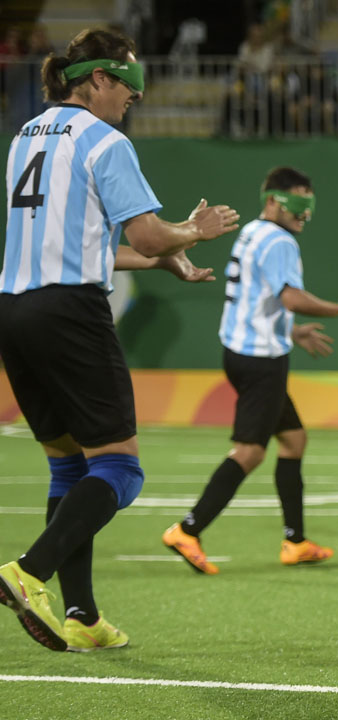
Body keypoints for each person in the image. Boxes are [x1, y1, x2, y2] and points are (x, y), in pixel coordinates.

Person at [0, 28, 239, 652]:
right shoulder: (105, 141)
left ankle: (81, 615)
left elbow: (91, 241)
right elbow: (154, 234)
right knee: (120, 469)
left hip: (14, 311)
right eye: (129, 83)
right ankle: (29, 571)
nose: (133, 96)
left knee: (68, 463)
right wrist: (195, 230)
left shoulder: (25, 136)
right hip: (71, 313)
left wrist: (160, 263)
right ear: (99, 79)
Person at [162, 167, 338, 575]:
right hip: (261, 361)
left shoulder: (254, 233)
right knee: (251, 451)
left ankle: (295, 542)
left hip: (243, 350)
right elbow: (291, 298)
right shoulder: (280, 242)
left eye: (309, 205)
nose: (305, 215)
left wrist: (291, 333)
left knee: (294, 440)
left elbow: (256, 298)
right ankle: (188, 529)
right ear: (274, 200)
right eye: (298, 204)